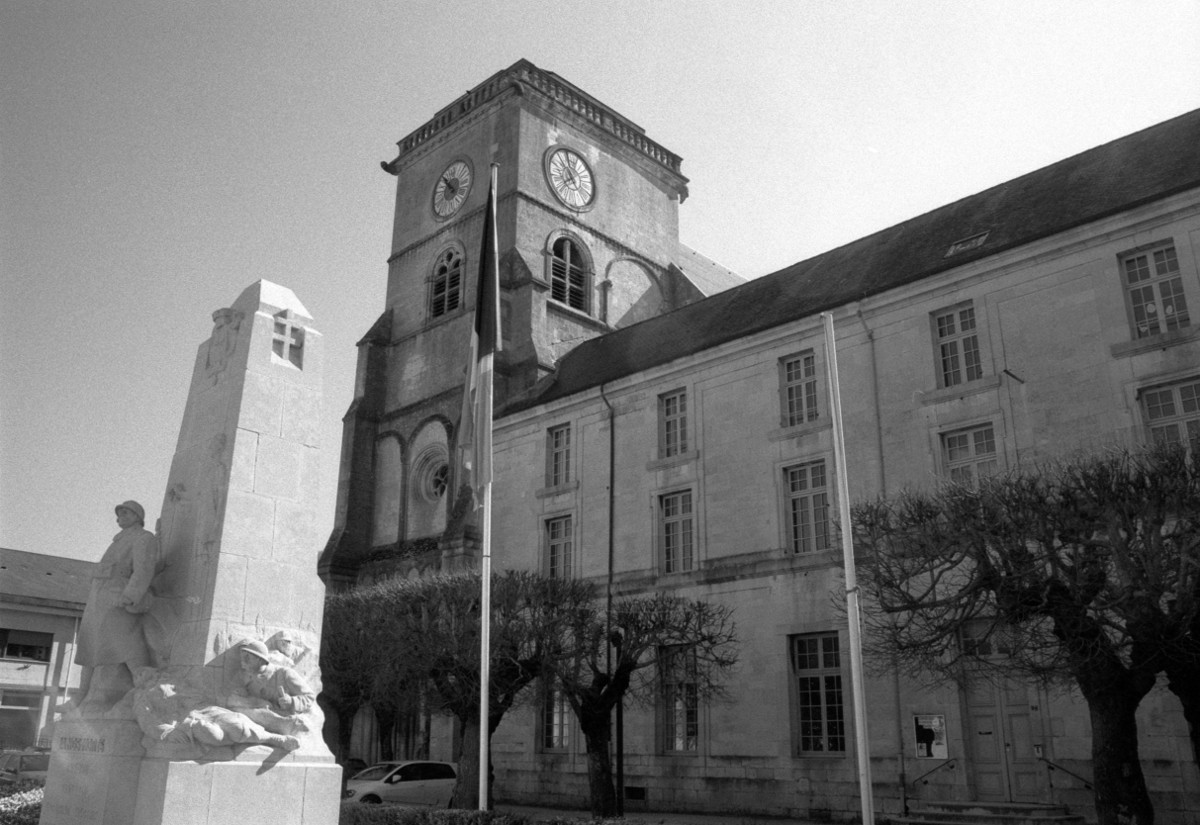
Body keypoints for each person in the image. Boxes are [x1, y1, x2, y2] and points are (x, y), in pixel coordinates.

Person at [69, 500, 158, 715]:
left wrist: (129, 595)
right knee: (89, 646)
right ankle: (81, 695)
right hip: (99, 599)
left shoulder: (143, 538)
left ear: (137, 516)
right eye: (119, 513)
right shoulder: (118, 540)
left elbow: (144, 569)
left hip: (118, 598)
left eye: (126, 513)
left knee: (128, 644)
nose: (120, 517)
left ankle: (148, 691)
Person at [225, 639, 316, 735]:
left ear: (260, 659)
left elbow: (309, 697)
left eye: (247, 657)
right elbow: (229, 698)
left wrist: (292, 701)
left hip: (282, 718)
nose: (243, 661)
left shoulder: (285, 674)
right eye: (242, 657)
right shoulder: (243, 675)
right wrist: (253, 701)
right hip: (255, 720)